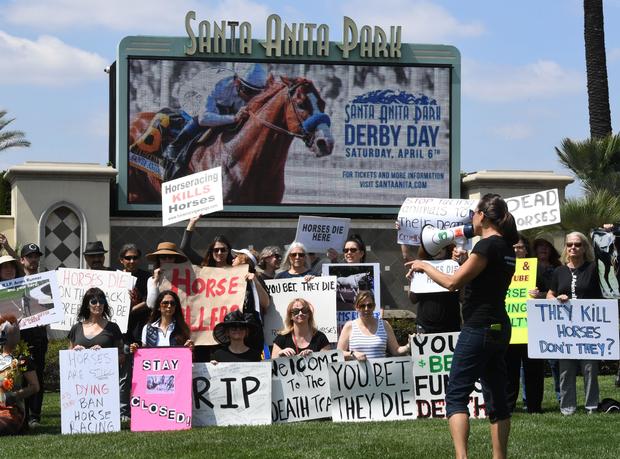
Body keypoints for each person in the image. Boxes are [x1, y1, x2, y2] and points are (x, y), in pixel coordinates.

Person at [406, 193, 518, 459]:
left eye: (474, 214)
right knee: (497, 399)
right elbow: (483, 280)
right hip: (499, 327)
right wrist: (463, 261)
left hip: (478, 327)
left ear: (481, 215)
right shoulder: (506, 248)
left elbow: (452, 283)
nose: (471, 219)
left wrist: (424, 264)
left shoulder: (486, 246)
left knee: (456, 395)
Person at [163, 63, 268, 177]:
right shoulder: (219, 84)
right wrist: (234, 118)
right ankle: (175, 145)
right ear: (237, 82)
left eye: (256, 93)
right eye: (248, 91)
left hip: (222, 100)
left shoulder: (246, 89)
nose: (250, 98)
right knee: (208, 117)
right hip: (194, 94)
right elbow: (203, 119)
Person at [546, 231, 602, 415]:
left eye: (577, 244)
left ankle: (591, 406)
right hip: (565, 330)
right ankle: (567, 408)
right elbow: (550, 294)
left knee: (589, 368)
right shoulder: (559, 271)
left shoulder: (594, 269)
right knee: (565, 370)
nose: (573, 248)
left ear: (585, 247)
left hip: (589, 329)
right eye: (569, 244)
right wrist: (556, 299)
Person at [504, 235, 544, 414]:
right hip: (510, 326)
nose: (516, 250)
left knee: (533, 370)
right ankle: (509, 405)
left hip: (531, 328)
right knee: (509, 369)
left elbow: (549, 293)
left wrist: (539, 294)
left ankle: (534, 406)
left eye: (519, 247)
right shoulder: (502, 269)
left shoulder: (536, 270)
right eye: (513, 247)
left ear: (526, 250)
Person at [117, 243, 151, 422]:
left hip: (140, 331)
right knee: (123, 375)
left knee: (141, 373)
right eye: (128, 258)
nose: (131, 261)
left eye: (135, 257)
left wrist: (129, 309)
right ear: (121, 260)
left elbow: (149, 301)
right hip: (120, 333)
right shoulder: (114, 278)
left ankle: (142, 407)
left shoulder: (146, 277)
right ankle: (123, 412)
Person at [17, 243, 47, 428]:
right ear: (22, 260)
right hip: (19, 337)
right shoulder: (16, 281)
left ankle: (34, 415)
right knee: (19, 376)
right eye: (30, 256)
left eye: (36, 256)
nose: (34, 260)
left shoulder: (46, 280)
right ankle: (22, 413)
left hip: (39, 335)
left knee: (38, 375)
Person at [531, 237, 562, 401]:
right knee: (531, 361)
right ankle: (528, 398)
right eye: (540, 247)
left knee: (555, 361)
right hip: (533, 319)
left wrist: (542, 295)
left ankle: (560, 396)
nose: (543, 250)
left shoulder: (559, 268)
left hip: (553, 318)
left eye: (546, 247)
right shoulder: (527, 268)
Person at [337, 291, 410, 360]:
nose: (366, 309)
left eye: (369, 305)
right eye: (362, 306)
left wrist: (409, 345)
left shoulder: (384, 325)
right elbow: (338, 353)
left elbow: (395, 350)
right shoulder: (350, 326)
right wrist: (352, 354)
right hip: (358, 372)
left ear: (374, 306)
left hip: (380, 372)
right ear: (357, 307)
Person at [0, 314, 40, 435]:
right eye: (4, 333)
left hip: (11, 410)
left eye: (12, 333)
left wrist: (15, 396)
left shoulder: (22, 359)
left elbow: (35, 386)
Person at [408, 243, 461, 334]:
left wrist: (461, 277)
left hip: (451, 325)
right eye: (433, 246)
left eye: (441, 246)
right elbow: (413, 299)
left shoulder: (455, 267)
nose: (437, 250)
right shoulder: (421, 268)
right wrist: (411, 280)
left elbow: (462, 298)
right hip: (424, 326)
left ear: (447, 249)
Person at [68, 288, 123, 356]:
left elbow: (121, 356)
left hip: (104, 367)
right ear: (87, 305)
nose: (98, 304)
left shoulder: (113, 327)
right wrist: (75, 352)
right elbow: (69, 355)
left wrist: (102, 354)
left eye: (101, 301)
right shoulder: (76, 328)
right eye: (94, 302)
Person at [145, 242, 188, 310]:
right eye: (163, 258)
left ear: (175, 259)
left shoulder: (184, 279)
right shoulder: (152, 280)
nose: (167, 260)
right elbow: (151, 304)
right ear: (158, 260)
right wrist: (156, 280)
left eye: (170, 257)